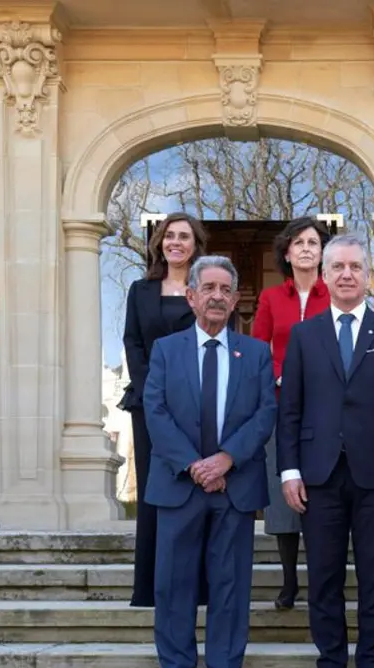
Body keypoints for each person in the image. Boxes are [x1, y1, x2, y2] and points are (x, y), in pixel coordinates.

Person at [277, 234, 374, 668]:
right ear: (325, 274)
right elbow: (290, 411)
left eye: (355, 267)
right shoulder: (304, 335)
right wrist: (288, 471)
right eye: (337, 266)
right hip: (317, 477)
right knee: (323, 578)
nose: (346, 274)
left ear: (368, 275)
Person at [142, 255, 277, 668]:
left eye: (226, 289)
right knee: (173, 585)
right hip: (179, 486)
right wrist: (195, 465)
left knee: (230, 585)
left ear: (235, 299)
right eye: (209, 288)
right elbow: (155, 412)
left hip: (233, 487)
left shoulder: (255, 353)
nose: (217, 296)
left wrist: (225, 460)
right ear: (192, 296)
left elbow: (265, 415)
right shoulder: (166, 349)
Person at [120, 212, 208, 608]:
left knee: (194, 491)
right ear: (159, 243)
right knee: (156, 491)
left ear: (195, 245)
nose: (176, 242)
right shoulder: (141, 290)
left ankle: (196, 586)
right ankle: (149, 587)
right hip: (149, 405)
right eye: (169, 235)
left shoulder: (204, 289)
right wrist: (153, 393)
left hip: (197, 405)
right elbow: (133, 343)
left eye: (184, 236)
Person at [251, 216, 332, 609]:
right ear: (287, 252)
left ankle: (320, 577)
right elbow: (256, 350)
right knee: (284, 494)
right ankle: (288, 581)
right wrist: (278, 380)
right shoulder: (270, 298)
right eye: (298, 242)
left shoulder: (334, 293)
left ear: (322, 252)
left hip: (325, 409)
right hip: (282, 408)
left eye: (313, 242)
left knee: (320, 492)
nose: (305, 248)